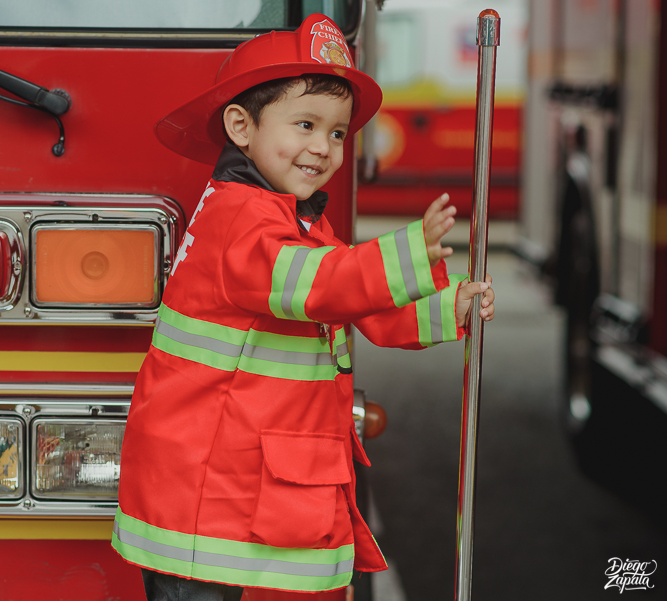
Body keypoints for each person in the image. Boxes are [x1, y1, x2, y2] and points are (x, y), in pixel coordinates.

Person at [111, 13, 495, 600]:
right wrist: (411, 251)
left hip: (222, 484)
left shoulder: (296, 222)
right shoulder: (239, 220)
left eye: (338, 133)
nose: (323, 148)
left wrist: (450, 309)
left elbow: (356, 305)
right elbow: (318, 287)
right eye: (306, 124)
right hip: (203, 491)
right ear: (241, 126)